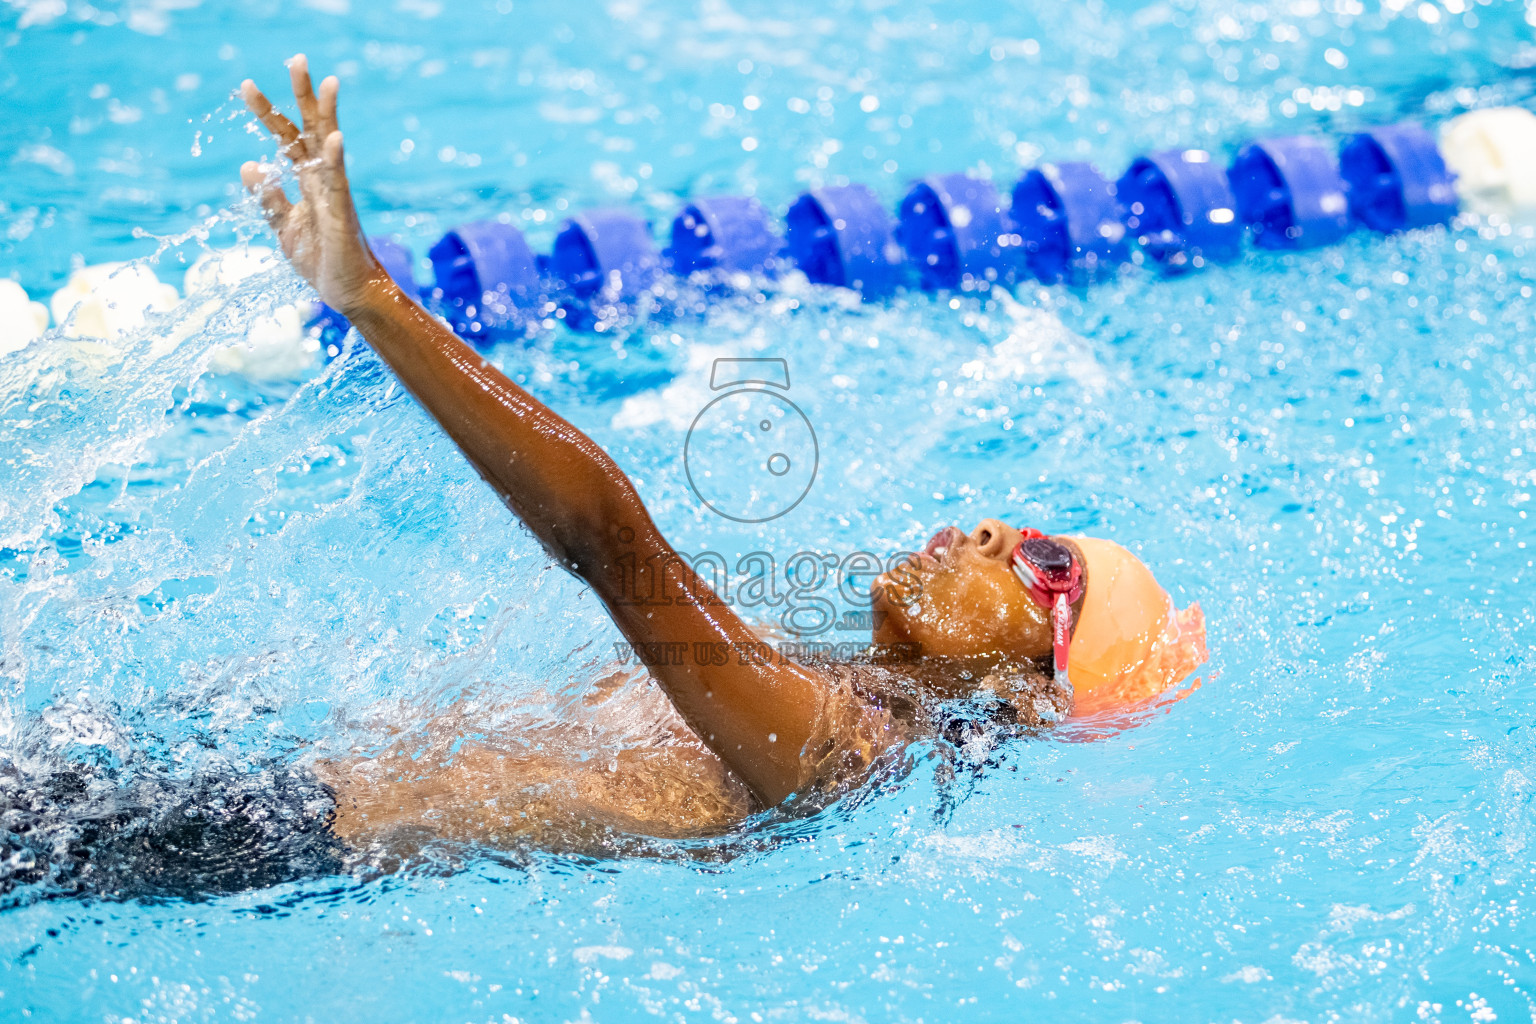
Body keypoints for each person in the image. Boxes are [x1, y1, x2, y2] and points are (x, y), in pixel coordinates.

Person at [224, 55, 1209, 861]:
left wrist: (371, 299)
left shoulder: (843, 753)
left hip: (269, 845)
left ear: (1036, 689)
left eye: (1045, 563)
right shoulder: (817, 671)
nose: (995, 529)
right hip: (259, 790)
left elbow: (609, 540)